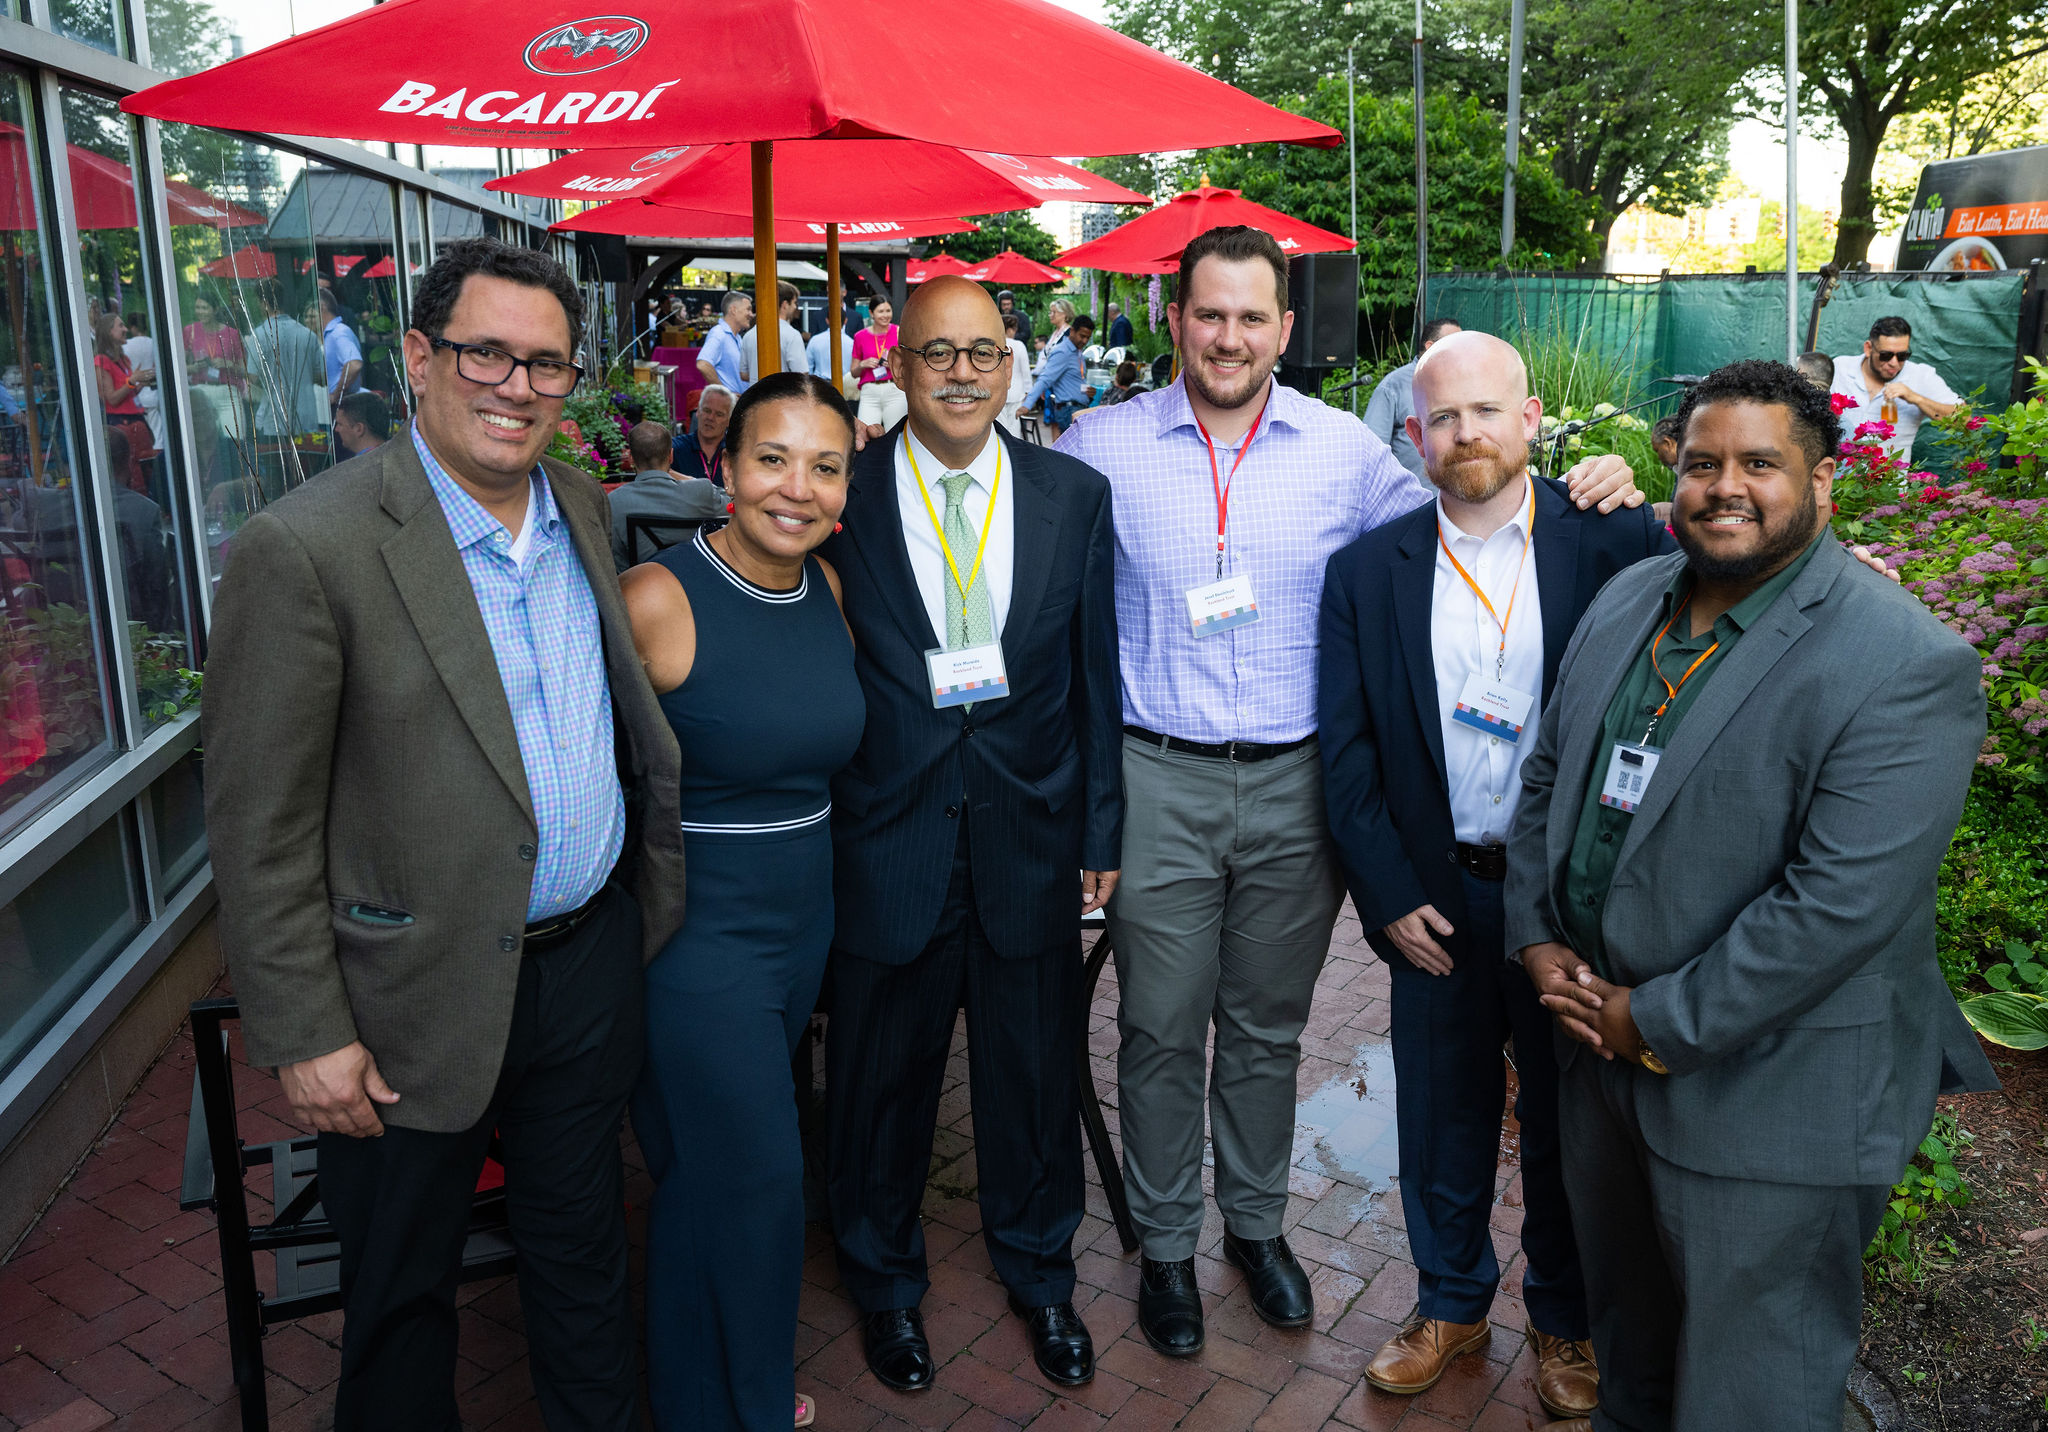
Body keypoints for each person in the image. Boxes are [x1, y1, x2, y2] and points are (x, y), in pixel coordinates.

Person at [1053, 226, 1641, 1359]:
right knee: (1159, 1028)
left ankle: (1255, 1226)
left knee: (1267, 1027)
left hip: (1295, 788)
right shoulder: (1099, 444)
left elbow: (1471, 509)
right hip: (1156, 773)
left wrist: (1601, 484)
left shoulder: (1349, 455)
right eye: (1208, 314)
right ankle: (1166, 1245)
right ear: (1174, 320)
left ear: (1285, 329)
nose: (1228, 337)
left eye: (1251, 317)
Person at [201, 236, 687, 1432]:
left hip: (583, 967)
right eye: (485, 354)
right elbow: (258, 823)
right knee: (401, 1298)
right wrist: (306, 1031)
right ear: (419, 357)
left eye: (546, 364)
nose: (516, 386)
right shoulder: (307, 547)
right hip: (403, 1002)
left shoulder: (581, 507)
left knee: (583, 1259)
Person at [1504, 359, 1995, 1431]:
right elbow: (1549, 774)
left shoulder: (1902, 662)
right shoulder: (1629, 598)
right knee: (1629, 1355)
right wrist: (1536, 934)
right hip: (1597, 1064)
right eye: (1701, 463)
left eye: (1759, 464)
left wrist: (1651, 1021)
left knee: (1749, 1392)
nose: (1724, 486)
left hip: (1772, 1098)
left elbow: (1837, 906)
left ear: (1821, 482)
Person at [1318, 332, 1673, 1416]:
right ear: (1414, 434)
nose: (1465, 432)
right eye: (1443, 417)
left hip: (1567, 904)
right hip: (1437, 897)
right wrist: (1387, 897)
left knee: (1568, 1121)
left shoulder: (1614, 540)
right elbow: (1348, 755)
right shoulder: (1365, 571)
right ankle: (1449, 1302)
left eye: (1485, 411)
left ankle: (1564, 1320)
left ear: (1529, 421)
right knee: (1440, 1113)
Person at [820, 276, 1121, 1396]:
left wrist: (1100, 826)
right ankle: (883, 1282)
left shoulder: (1072, 495)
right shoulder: (839, 492)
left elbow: (1094, 675)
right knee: (877, 1082)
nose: (960, 372)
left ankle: (1042, 1273)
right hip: (885, 835)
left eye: (983, 352)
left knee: (1030, 1076)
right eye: (937, 352)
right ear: (899, 365)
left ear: (1010, 365)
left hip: (1028, 835)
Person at [621, 372, 862, 1431]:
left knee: (705, 1182)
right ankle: (755, 1408)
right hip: (698, 942)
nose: (796, 488)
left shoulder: (828, 589)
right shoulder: (656, 597)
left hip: (801, 925)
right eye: (772, 458)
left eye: (824, 466)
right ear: (721, 465)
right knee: (762, 1180)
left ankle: (696, 1402)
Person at [1831, 316, 1958, 460]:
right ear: (1868, 348)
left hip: (1888, 474)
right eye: (1886, 355)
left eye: (1902, 356)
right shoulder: (1840, 368)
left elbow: (1963, 419)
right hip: (1838, 473)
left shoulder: (1921, 376)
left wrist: (1916, 398)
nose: (1894, 363)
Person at [610, 419, 723, 570]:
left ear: (631, 458)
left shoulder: (614, 502)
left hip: (642, 582)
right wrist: (689, 479)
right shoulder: (702, 492)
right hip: (697, 580)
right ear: (671, 456)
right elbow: (733, 504)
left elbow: (616, 562)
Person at [1364, 317, 1463, 477]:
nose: (1461, 351)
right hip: (1408, 491)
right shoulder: (1393, 385)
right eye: (1454, 345)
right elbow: (1372, 447)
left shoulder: (1463, 382)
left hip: (1453, 490)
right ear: (1430, 347)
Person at [92, 312, 154, 497]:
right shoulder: (101, 361)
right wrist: (131, 381)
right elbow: (111, 399)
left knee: (146, 468)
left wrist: (141, 382)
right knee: (132, 472)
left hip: (137, 419)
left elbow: (128, 394)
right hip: (121, 424)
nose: (126, 329)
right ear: (109, 332)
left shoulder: (123, 359)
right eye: (120, 326)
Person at [1021, 313, 1093, 438]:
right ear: (1072, 331)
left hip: (1077, 408)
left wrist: (1088, 392)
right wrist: (1027, 405)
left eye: (1088, 337)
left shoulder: (1078, 352)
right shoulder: (1063, 351)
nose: (1085, 341)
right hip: (1069, 410)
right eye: (1082, 336)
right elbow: (1045, 379)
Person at [850, 296, 906, 431]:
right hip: (869, 392)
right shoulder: (860, 336)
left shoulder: (899, 332)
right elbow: (853, 372)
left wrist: (894, 365)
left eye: (888, 311)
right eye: (881, 311)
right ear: (871, 313)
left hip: (894, 389)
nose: (885, 315)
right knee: (866, 432)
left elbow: (909, 364)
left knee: (895, 432)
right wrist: (863, 364)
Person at [741, 280, 809, 384]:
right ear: (785, 304)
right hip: (784, 393)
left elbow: (744, 374)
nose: (795, 307)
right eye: (795, 302)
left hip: (756, 393)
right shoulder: (792, 335)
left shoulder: (749, 335)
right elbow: (802, 375)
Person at [185, 290, 248, 391]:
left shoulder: (232, 334)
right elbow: (177, 368)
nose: (200, 312)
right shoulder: (190, 331)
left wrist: (229, 364)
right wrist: (193, 368)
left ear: (215, 309)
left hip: (227, 390)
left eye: (204, 308)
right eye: (197, 307)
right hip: (200, 390)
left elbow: (246, 372)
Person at [673, 385, 733, 488]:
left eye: (719, 414)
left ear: (729, 421)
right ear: (698, 412)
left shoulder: (736, 453)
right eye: (707, 410)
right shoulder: (675, 448)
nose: (710, 418)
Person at [698, 291, 754, 394]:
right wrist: (726, 395)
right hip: (730, 403)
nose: (751, 314)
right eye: (748, 309)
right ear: (733, 310)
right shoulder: (719, 333)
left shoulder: (737, 337)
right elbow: (703, 365)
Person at [320, 288, 365, 415]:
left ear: (322, 307)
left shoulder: (338, 332)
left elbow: (354, 364)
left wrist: (336, 395)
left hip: (341, 405)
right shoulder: (331, 334)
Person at [999, 314, 1032, 436]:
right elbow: (1025, 371)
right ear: (1011, 329)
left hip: (1000, 391)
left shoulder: (996, 344)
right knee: (1014, 430)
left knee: (1000, 429)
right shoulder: (1019, 345)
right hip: (1017, 392)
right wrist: (1028, 391)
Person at [333, 390, 391, 459]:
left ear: (359, 429)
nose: (336, 429)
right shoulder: (392, 456)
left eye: (340, 424)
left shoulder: (364, 464)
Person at [806, 315, 855, 394]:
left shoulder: (815, 340)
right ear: (845, 321)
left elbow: (808, 366)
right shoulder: (851, 343)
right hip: (843, 385)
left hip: (819, 385)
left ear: (827, 320)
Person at [997, 289, 1033, 354]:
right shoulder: (995, 316)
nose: (1006, 307)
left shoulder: (1022, 316)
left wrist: (1009, 338)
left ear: (1012, 304)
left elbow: (1026, 334)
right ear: (1000, 305)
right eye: (1004, 304)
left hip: (1018, 350)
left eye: (1008, 304)